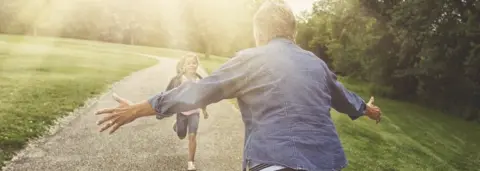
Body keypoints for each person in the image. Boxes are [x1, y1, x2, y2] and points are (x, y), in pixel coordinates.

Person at [95, 0, 382, 170]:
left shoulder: (252, 59)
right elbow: (345, 99)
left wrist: (138, 109)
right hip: (327, 164)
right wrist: (368, 110)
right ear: (294, 32)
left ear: (258, 32)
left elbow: (198, 91)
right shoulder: (316, 64)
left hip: (274, 161)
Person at [166, 53, 209, 171]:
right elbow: (169, 94)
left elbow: (203, 97)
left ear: (197, 65)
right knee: (181, 135)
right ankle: (177, 125)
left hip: (194, 113)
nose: (191, 65)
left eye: (194, 63)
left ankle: (191, 162)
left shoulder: (200, 81)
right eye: (189, 63)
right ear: (184, 66)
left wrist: (204, 110)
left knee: (192, 137)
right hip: (181, 113)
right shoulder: (179, 79)